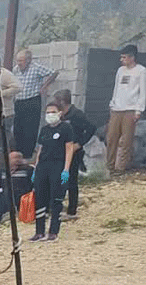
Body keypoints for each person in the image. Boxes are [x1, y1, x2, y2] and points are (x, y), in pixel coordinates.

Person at [29, 100, 77, 242]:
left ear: (60, 113)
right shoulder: (44, 130)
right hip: (43, 165)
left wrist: (66, 169)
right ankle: (39, 231)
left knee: (56, 199)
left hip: (57, 165)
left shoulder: (66, 128)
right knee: (40, 198)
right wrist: (35, 168)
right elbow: (40, 149)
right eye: (48, 112)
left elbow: (69, 149)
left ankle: (53, 232)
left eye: (53, 112)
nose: (50, 115)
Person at [53, 89, 96, 220]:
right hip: (60, 152)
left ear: (62, 101)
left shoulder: (77, 114)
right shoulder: (60, 115)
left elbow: (91, 128)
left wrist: (79, 144)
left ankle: (72, 211)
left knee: (72, 181)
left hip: (74, 152)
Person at [107, 44, 146, 173]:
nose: (122, 60)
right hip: (117, 108)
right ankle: (110, 166)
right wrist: (112, 103)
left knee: (126, 140)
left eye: (124, 57)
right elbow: (116, 88)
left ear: (132, 57)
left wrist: (138, 110)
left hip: (130, 109)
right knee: (111, 137)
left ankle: (120, 168)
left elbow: (143, 92)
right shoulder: (121, 70)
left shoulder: (141, 71)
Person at [13, 48, 58, 157]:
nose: (19, 63)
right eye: (18, 60)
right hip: (19, 101)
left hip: (32, 101)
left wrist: (44, 86)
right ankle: (18, 154)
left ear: (28, 60)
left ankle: (27, 154)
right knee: (18, 129)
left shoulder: (36, 68)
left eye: (21, 61)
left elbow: (54, 72)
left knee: (30, 129)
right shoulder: (16, 70)